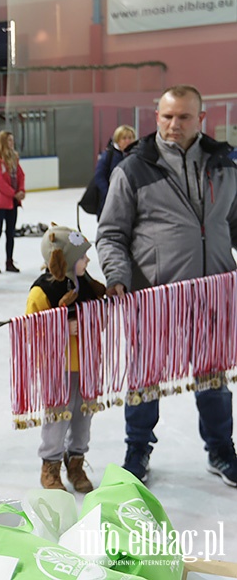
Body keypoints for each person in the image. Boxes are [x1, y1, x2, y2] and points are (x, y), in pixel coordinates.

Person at [96, 84, 237, 486]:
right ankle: (137, 448)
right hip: (156, 298)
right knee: (145, 378)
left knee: (213, 377)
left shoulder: (224, 165)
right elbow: (110, 234)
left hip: (213, 295)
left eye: (184, 117)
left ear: (201, 119)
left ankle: (221, 450)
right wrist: (118, 277)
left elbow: (235, 223)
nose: (174, 125)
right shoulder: (133, 167)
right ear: (157, 117)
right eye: (167, 116)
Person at [27, 225, 105, 492]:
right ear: (68, 259)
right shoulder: (42, 291)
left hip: (86, 364)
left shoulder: (87, 285)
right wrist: (61, 327)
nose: (88, 261)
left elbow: (101, 320)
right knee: (57, 419)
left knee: (83, 416)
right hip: (57, 368)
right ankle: (50, 466)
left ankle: (76, 461)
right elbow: (31, 330)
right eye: (83, 256)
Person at [0, 130, 26, 274]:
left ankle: (9, 261)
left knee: (10, 233)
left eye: (12, 140)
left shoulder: (14, 158)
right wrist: (14, 193)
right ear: (3, 142)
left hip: (12, 202)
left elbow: (21, 175)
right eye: (9, 140)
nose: (12, 143)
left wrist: (21, 190)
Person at [93, 124, 136, 218]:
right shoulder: (109, 155)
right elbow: (99, 176)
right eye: (124, 138)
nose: (128, 141)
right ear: (118, 140)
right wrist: (109, 193)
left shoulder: (136, 155)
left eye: (130, 137)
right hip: (110, 202)